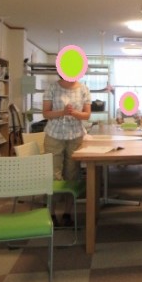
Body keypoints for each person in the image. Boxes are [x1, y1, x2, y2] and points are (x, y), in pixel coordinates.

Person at [42, 76, 91, 227]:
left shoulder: (83, 88)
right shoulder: (52, 87)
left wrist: (74, 113)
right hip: (54, 135)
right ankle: (51, 213)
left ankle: (67, 213)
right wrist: (62, 112)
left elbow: (87, 114)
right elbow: (46, 113)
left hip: (75, 136)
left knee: (72, 174)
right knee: (53, 174)